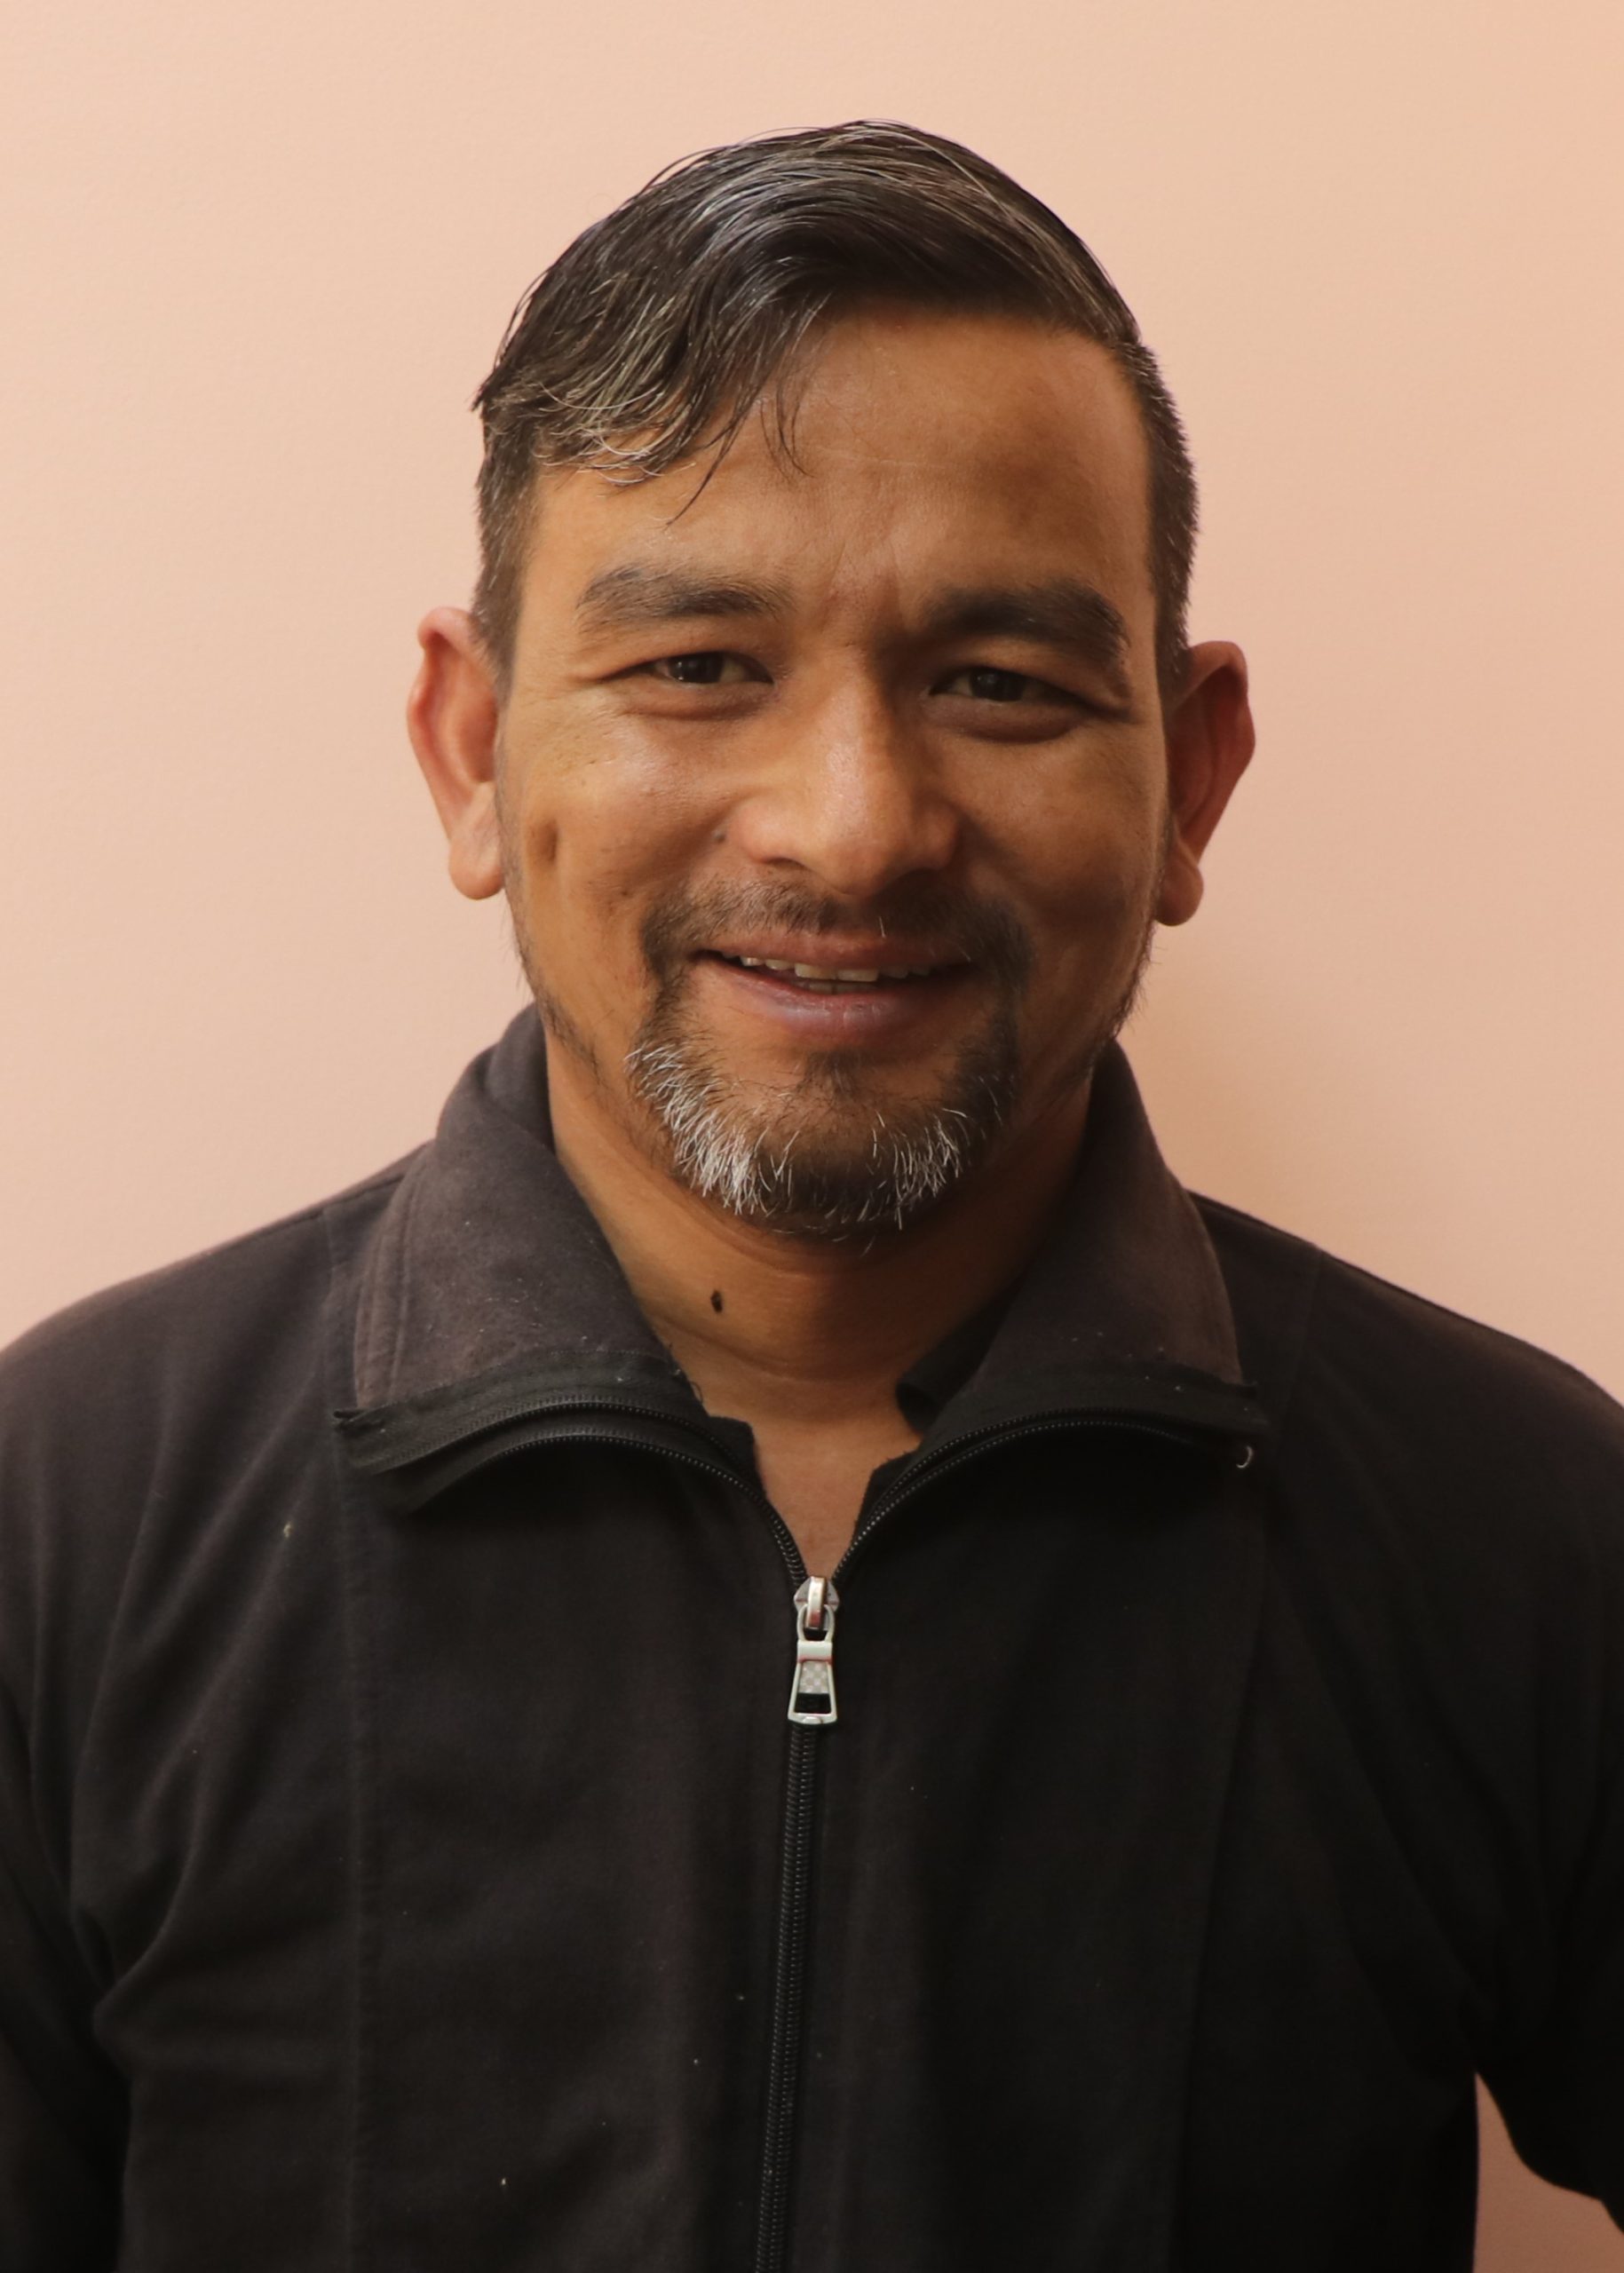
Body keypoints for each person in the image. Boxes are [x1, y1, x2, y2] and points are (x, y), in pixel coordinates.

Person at [2, 120, 1621, 2273]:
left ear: (1192, 775)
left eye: (999, 684)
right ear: (472, 749)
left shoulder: (1521, 1532)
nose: (852, 827)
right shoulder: (73, 1511)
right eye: (698, 666)